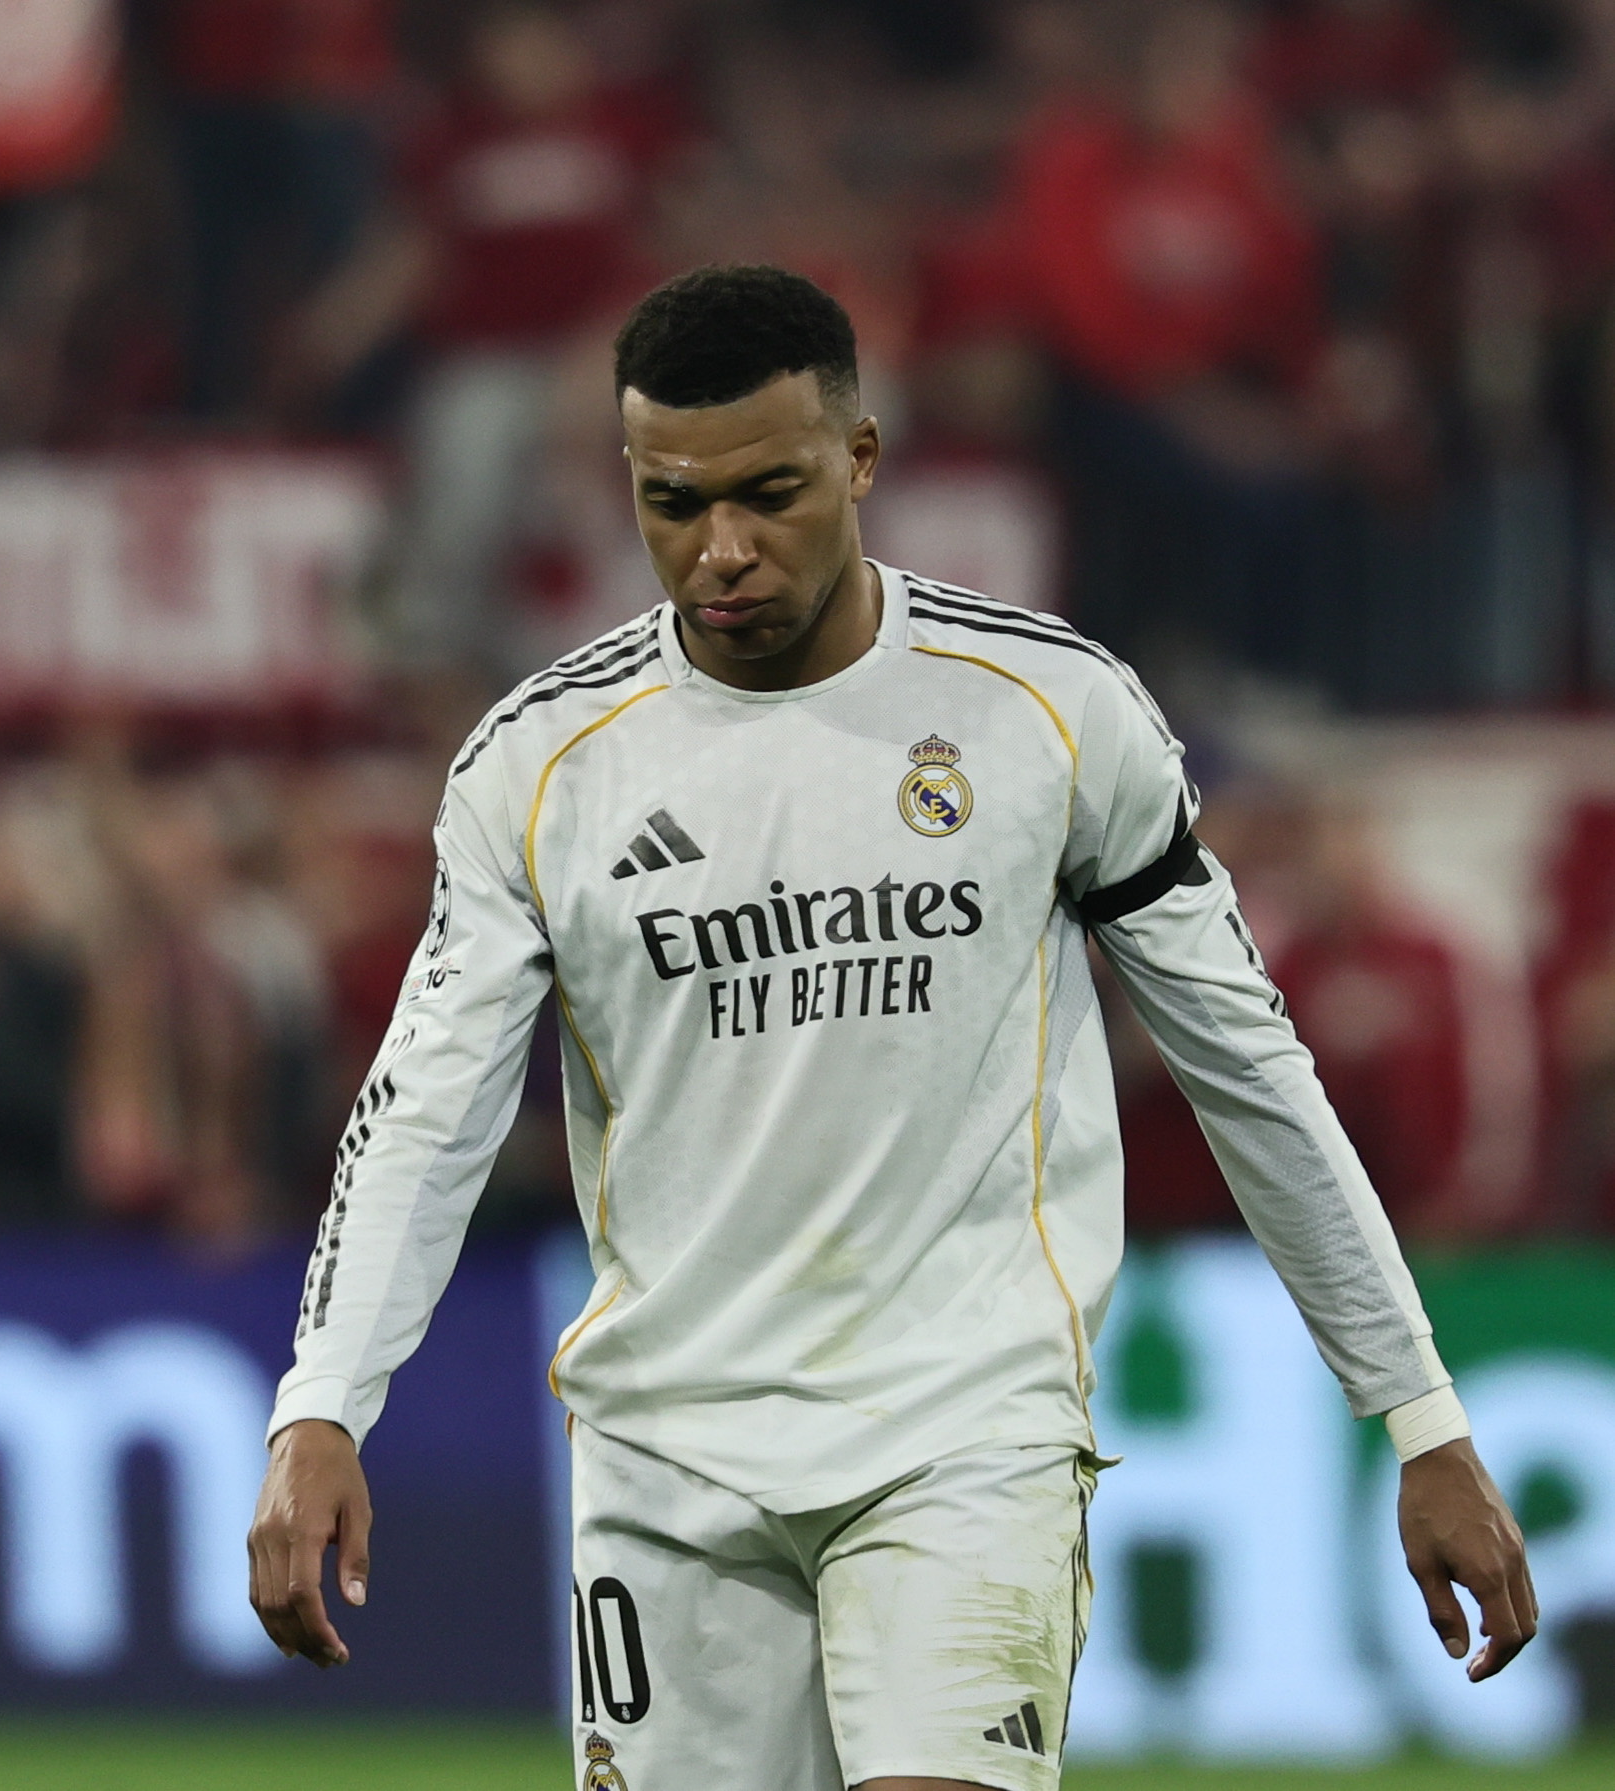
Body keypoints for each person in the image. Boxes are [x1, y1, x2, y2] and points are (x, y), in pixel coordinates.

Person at [247, 265, 1534, 1791]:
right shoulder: (539, 769)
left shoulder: (1048, 713)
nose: (717, 550)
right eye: (670, 503)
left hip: (962, 1432)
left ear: (860, 459)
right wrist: (319, 1405)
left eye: (769, 493)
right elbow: (424, 1113)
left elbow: (1249, 1073)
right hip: (666, 1456)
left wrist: (1417, 1414)